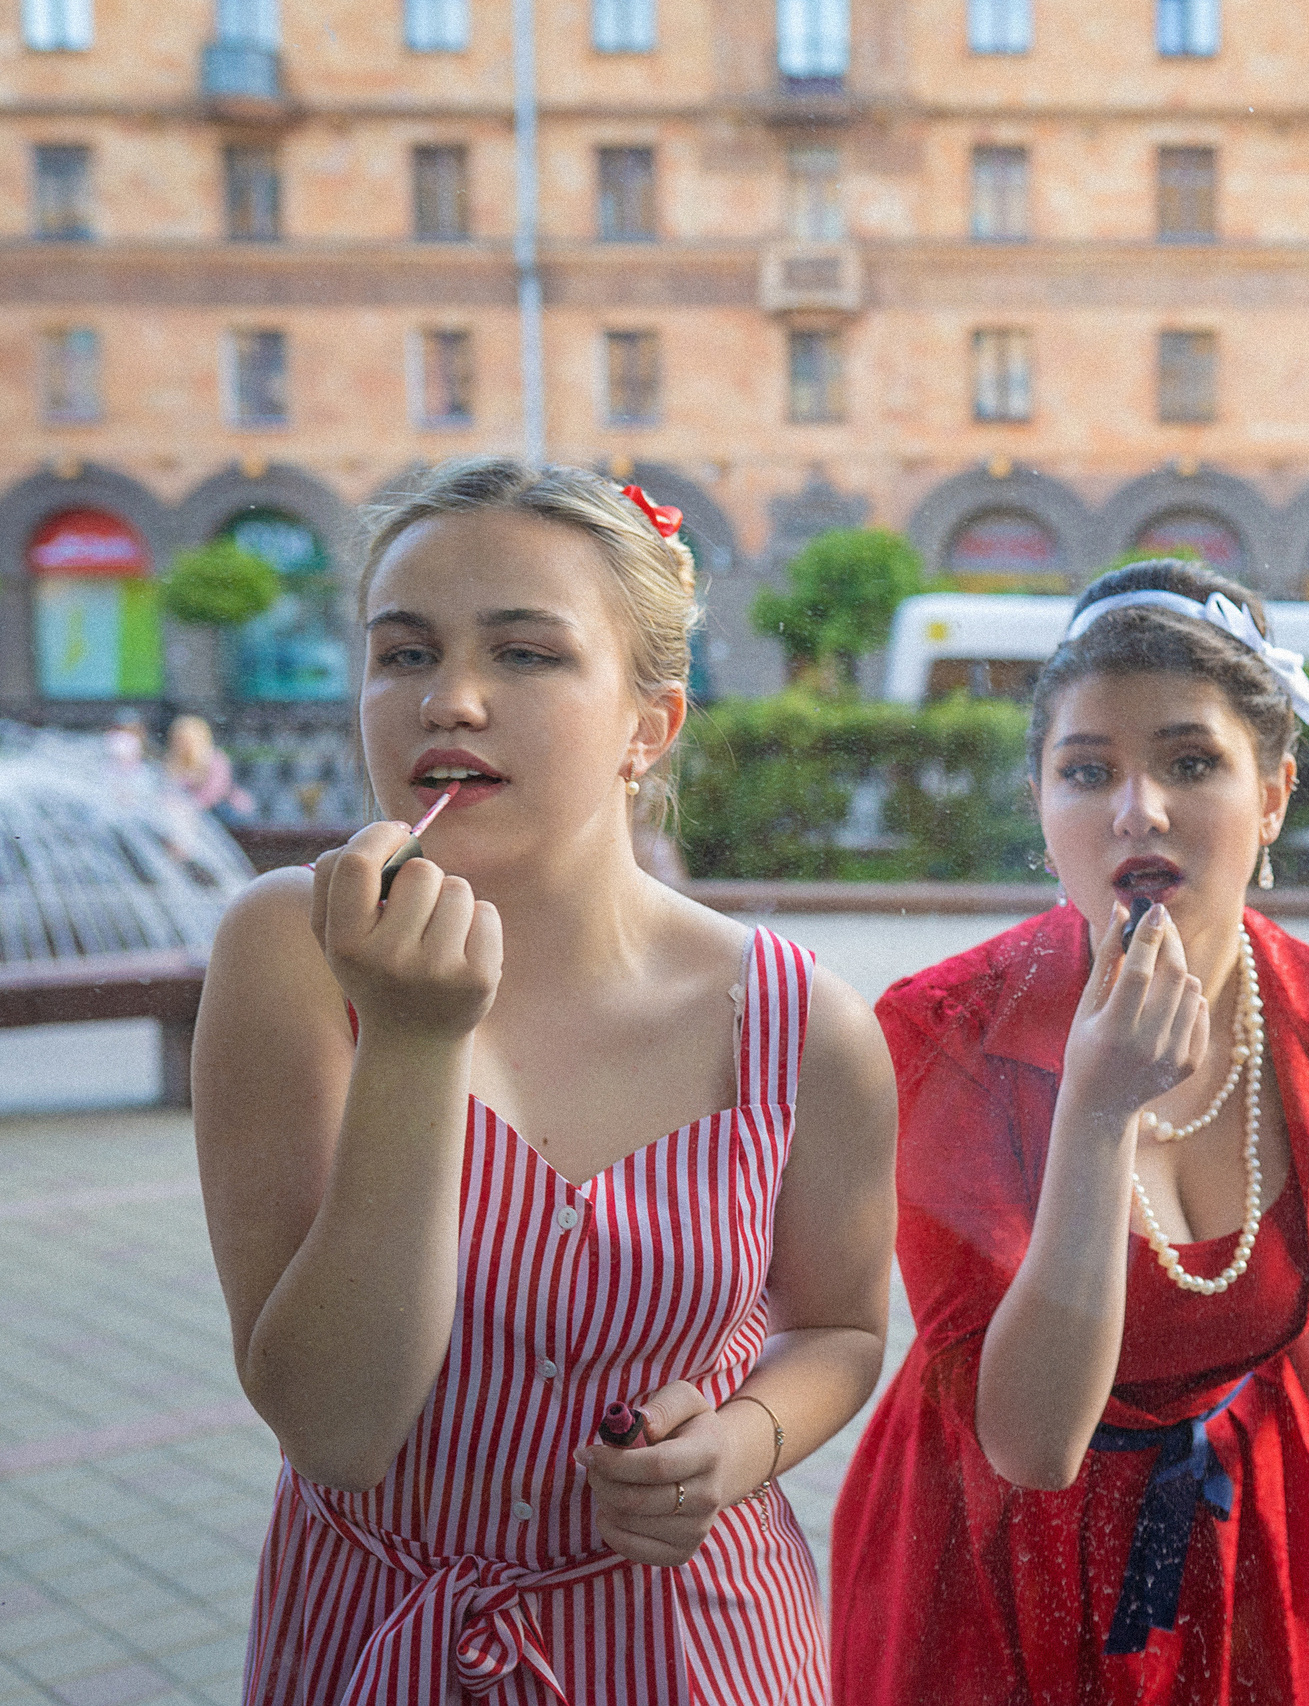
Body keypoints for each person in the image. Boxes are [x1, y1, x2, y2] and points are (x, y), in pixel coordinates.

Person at [194, 458, 900, 1704]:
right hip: (376, 1631)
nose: (448, 699)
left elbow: (840, 1326)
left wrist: (740, 1443)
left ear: (650, 723)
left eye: (525, 655)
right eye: (403, 652)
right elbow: (336, 1424)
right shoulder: (291, 953)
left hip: (698, 1642)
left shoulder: (798, 1023)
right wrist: (414, 1044)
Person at [829, 560, 1309, 1704]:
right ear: (1041, 808)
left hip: (1246, 1523)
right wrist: (1097, 1110)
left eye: (1190, 761)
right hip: (997, 1549)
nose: (1137, 808)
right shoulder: (946, 1037)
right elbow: (1030, 1441)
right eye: (1087, 769)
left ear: (1274, 795)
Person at [164, 711, 255, 823]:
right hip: (187, 812)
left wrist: (190, 807)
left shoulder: (214, 759)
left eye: (184, 739)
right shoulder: (172, 760)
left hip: (220, 809)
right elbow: (168, 789)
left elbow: (214, 792)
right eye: (177, 739)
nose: (180, 743)